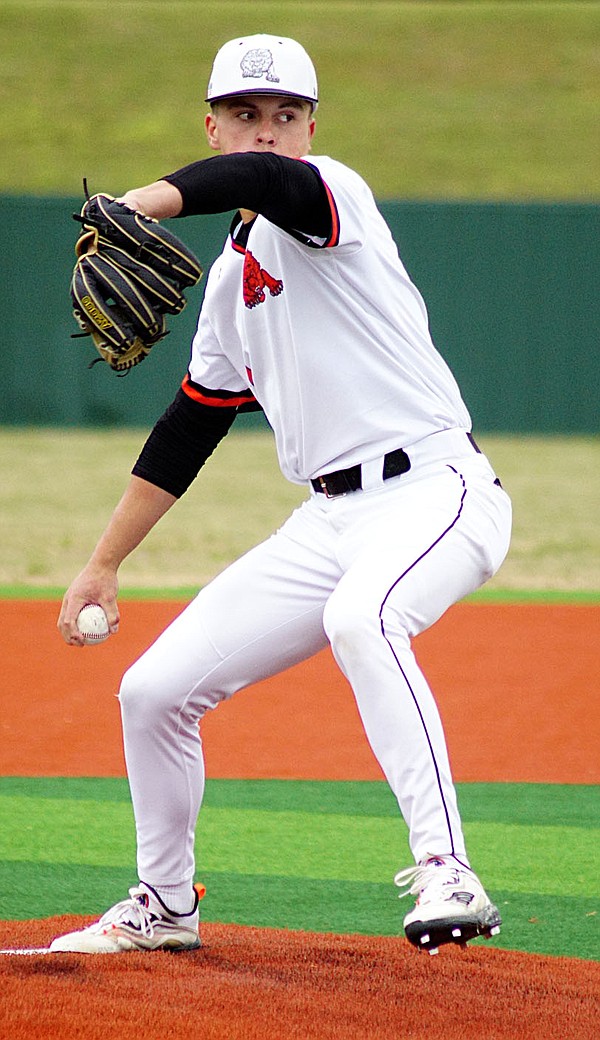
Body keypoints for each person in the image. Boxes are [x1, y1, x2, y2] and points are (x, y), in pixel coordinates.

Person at [50, 34, 512, 955]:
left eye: (286, 116)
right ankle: (166, 905)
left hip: (436, 489)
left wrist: (141, 202)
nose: (267, 134)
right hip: (328, 519)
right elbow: (192, 423)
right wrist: (104, 563)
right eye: (246, 116)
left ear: (311, 126)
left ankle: (447, 870)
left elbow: (278, 187)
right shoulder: (227, 282)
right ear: (211, 125)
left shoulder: (331, 195)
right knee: (152, 692)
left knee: (362, 618)